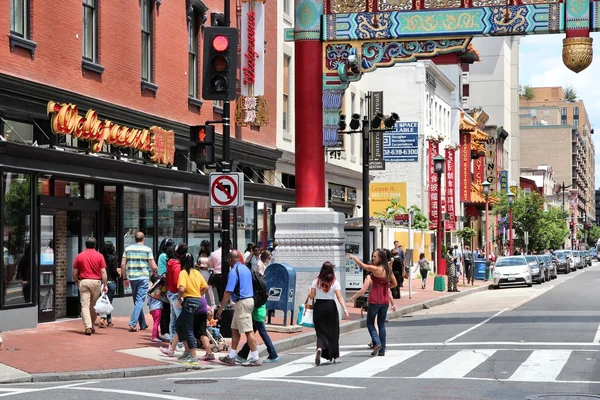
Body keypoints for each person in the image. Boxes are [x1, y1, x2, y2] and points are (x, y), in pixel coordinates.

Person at [160, 246, 207, 365]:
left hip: (189, 301)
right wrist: (198, 294)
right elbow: (205, 287)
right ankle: (187, 352)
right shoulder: (196, 272)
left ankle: (193, 355)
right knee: (179, 324)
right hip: (197, 301)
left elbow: (181, 288)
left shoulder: (183, 273)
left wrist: (179, 298)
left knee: (188, 328)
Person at [217, 250, 262, 367]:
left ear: (231, 260)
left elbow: (228, 292)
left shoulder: (233, 272)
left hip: (242, 302)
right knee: (235, 329)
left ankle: (255, 358)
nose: (228, 261)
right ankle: (231, 356)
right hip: (247, 301)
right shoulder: (245, 269)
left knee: (248, 330)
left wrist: (220, 309)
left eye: (228, 259)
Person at [350, 250, 397, 357]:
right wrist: (386, 287)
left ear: (380, 258)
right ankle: (382, 350)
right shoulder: (388, 269)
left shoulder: (376, 269)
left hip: (375, 299)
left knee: (370, 323)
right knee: (381, 324)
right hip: (384, 300)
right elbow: (395, 283)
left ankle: (377, 343)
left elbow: (362, 265)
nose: (373, 258)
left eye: (375, 256)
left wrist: (354, 257)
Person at [236, 251, 279, 364]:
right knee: (252, 333)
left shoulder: (256, 287)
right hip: (259, 312)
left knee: (262, 333)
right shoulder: (261, 285)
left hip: (257, 313)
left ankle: (273, 353)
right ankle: (242, 354)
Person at [308, 261, 349, 365]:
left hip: (319, 307)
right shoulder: (335, 282)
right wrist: (345, 308)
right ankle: (335, 356)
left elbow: (311, 296)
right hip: (331, 307)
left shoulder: (316, 281)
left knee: (320, 331)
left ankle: (320, 347)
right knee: (333, 332)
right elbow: (339, 296)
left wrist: (309, 291)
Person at [121, 232, 158, 332]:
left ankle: (143, 323)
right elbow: (153, 265)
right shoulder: (147, 249)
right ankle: (132, 323)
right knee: (139, 301)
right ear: (143, 238)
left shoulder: (128, 249)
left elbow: (123, 264)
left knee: (137, 301)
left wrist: (124, 278)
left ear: (134, 239)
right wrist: (156, 270)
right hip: (143, 278)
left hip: (132, 278)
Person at [72, 237, 108, 336]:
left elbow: (75, 272)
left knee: (85, 305)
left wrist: (76, 281)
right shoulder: (100, 256)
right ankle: (91, 324)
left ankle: (88, 326)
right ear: (95, 245)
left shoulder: (79, 256)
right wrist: (105, 285)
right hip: (96, 282)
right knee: (93, 306)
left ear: (85, 244)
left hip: (84, 281)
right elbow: (103, 272)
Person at [99, 241, 120, 328]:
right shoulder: (113, 257)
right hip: (111, 282)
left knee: (106, 300)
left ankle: (109, 320)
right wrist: (118, 275)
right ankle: (103, 318)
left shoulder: (101, 257)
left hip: (101, 282)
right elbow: (113, 270)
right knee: (108, 302)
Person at [157, 238, 174, 341]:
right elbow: (162, 272)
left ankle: (167, 330)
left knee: (168, 309)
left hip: (169, 285)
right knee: (166, 309)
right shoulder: (163, 256)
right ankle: (164, 331)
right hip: (165, 285)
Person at [148, 274, 163, 343]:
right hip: (157, 308)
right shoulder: (157, 289)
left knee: (155, 322)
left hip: (152, 308)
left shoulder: (151, 288)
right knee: (156, 322)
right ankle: (154, 336)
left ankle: (156, 335)